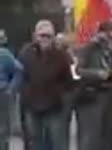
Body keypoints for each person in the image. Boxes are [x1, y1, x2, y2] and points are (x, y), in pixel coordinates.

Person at [19, 20, 73, 150]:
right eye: (42, 35)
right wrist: (25, 95)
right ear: (36, 36)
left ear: (53, 37)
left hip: (54, 107)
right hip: (32, 106)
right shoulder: (26, 53)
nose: (44, 39)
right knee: (35, 142)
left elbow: (68, 81)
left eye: (48, 36)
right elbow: (21, 76)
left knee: (57, 142)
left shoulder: (61, 56)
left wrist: (62, 98)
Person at [76, 22, 112, 150]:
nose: (110, 36)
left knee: (111, 134)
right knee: (93, 135)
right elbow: (79, 70)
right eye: (107, 33)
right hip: (95, 95)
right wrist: (96, 74)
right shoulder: (90, 48)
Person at [0, 29, 23, 150]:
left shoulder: (4, 54)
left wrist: (11, 88)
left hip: (1, 93)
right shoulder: (5, 53)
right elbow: (19, 69)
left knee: (2, 128)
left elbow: (19, 69)